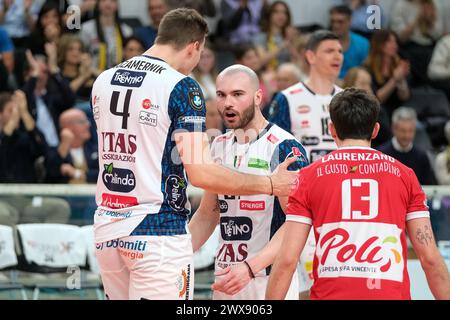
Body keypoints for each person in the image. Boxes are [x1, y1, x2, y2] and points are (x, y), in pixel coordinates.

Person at [91, 8, 297, 300]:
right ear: (194, 46)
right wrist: (271, 184)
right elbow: (200, 174)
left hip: (107, 228)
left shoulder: (104, 79)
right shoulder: (182, 86)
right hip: (157, 229)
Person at [266, 88, 450, 300]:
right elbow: (430, 259)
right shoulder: (405, 175)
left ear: (332, 129)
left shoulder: (307, 177)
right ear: (375, 130)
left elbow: (287, 259)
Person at [188, 64, 308, 300]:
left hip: (266, 281)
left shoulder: (283, 146)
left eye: (237, 94)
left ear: (257, 97)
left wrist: (251, 268)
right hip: (226, 277)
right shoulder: (218, 145)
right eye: (221, 95)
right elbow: (208, 214)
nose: (228, 103)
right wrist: (175, 255)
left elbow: (297, 225)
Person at [268, 30, 343, 163]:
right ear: (311, 57)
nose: (338, 56)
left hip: (340, 179)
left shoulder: (347, 99)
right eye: (330, 51)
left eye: (340, 51)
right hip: (301, 180)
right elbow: (272, 146)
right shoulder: (286, 98)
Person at [378, 107, 437, 185]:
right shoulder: (381, 155)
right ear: (394, 129)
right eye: (403, 131)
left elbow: (428, 187)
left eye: (410, 131)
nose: (407, 136)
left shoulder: (421, 157)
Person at [329, 5, 369, 79]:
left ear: (350, 21)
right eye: (333, 21)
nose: (336, 25)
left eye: (340, 22)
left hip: (355, 86)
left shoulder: (363, 44)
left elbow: (365, 72)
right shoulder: (324, 44)